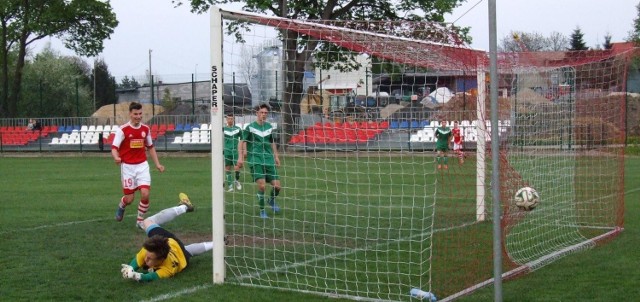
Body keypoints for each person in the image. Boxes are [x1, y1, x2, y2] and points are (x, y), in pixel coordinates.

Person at [120, 193, 213, 282]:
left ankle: (184, 206)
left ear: (161, 260)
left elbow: (151, 277)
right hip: (172, 244)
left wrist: (138, 276)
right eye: (147, 257)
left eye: (149, 259)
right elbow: (137, 261)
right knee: (148, 222)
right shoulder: (149, 250)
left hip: (178, 251)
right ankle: (219, 243)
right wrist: (131, 268)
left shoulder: (169, 268)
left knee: (146, 222)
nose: (145, 259)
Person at [112, 102, 165, 229]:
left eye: (140, 114)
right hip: (128, 168)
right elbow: (114, 148)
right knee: (129, 199)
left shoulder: (145, 129)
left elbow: (150, 147)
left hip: (142, 166)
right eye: (135, 114)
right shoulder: (123, 130)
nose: (138, 116)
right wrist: (116, 157)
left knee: (145, 193)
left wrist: (157, 164)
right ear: (130, 114)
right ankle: (122, 205)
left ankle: (140, 221)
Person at [237, 103, 281, 218]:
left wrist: (276, 156)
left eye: (266, 113)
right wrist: (240, 158)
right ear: (257, 113)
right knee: (262, 186)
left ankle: (271, 200)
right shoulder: (250, 127)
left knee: (277, 186)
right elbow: (241, 142)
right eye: (261, 112)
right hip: (255, 159)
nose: (263, 114)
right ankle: (262, 211)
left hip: (268, 159)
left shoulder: (269, 127)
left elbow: (272, 142)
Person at [223, 113, 243, 192]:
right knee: (227, 168)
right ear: (226, 120)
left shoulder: (237, 129)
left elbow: (242, 139)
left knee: (237, 168)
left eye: (231, 119)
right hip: (227, 151)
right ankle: (230, 186)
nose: (230, 120)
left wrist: (242, 151)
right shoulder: (223, 129)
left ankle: (236, 180)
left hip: (235, 151)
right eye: (229, 119)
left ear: (233, 119)